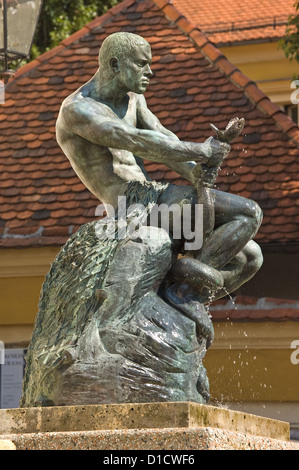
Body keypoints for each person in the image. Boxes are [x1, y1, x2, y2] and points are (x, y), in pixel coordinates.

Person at [56, 32, 263, 302]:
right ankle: (185, 292)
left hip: (155, 198)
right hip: (131, 206)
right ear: (115, 65)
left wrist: (193, 170)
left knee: (250, 258)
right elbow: (135, 140)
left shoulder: (133, 100)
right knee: (248, 213)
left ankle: (182, 292)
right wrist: (202, 151)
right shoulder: (77, 110)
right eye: (142, 64)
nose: (150, 72)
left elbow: (164, 138)